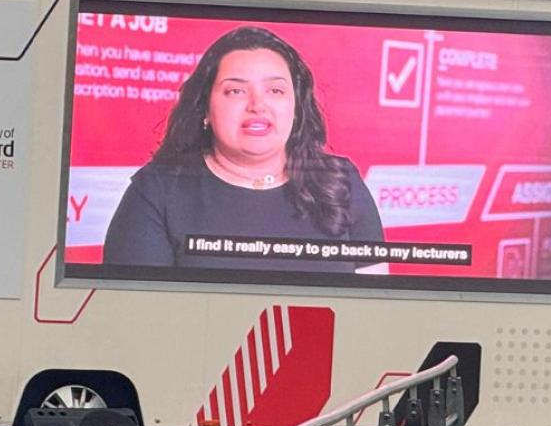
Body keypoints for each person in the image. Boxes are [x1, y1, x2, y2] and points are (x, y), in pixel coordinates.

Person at [103, 26, 384, 273]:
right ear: (205, 110)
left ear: (296, 108)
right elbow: (135, 318)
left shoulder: (340, 180)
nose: (257, 105)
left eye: (275, 91)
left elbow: (375, 314)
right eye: (235, 91)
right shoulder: (157, 190)